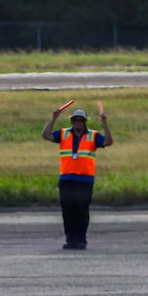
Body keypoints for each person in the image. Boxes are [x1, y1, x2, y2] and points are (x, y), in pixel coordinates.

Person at [42, 102, 113, 250]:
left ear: (84, 122)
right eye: (75, 120)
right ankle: (70, 239)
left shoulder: (93, 136)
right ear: (72, 121)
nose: (78, 123)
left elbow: (108, 141)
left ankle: (81, 239)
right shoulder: (64, 134)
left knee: (82, 211)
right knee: (68, 211)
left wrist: (105, 124)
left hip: (85, 180)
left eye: (80, 120)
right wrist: (53, 118)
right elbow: (46, 135)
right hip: (67, 178)